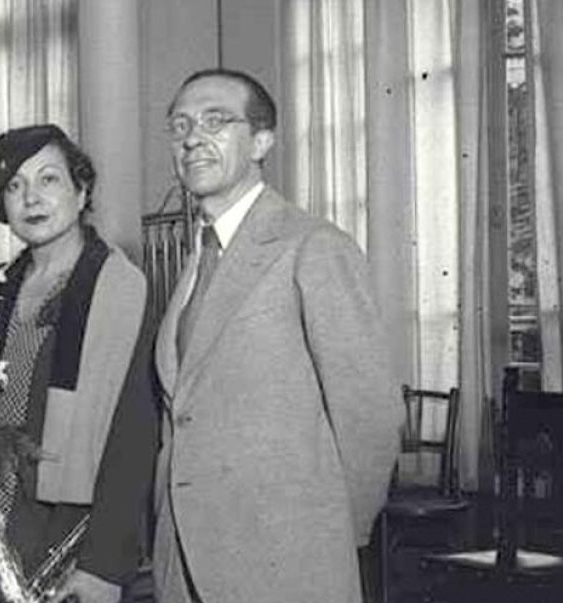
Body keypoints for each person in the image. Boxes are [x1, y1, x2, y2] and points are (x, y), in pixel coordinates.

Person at [151, 68, 402, 603]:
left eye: (217, 121)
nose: (193, 137)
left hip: (288, 563)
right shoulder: (196, 260)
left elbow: (370, 417)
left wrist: (323, 535)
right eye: (180, 125)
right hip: (187, 563)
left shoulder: (313, 247)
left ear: (263, 140)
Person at [0, 124, 159, 603]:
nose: (31, 198)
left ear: (81, 190)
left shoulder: (118, 287)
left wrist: (104, 564)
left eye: (48, 180)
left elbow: (134, 437)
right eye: (15, 186)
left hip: (63, 522)